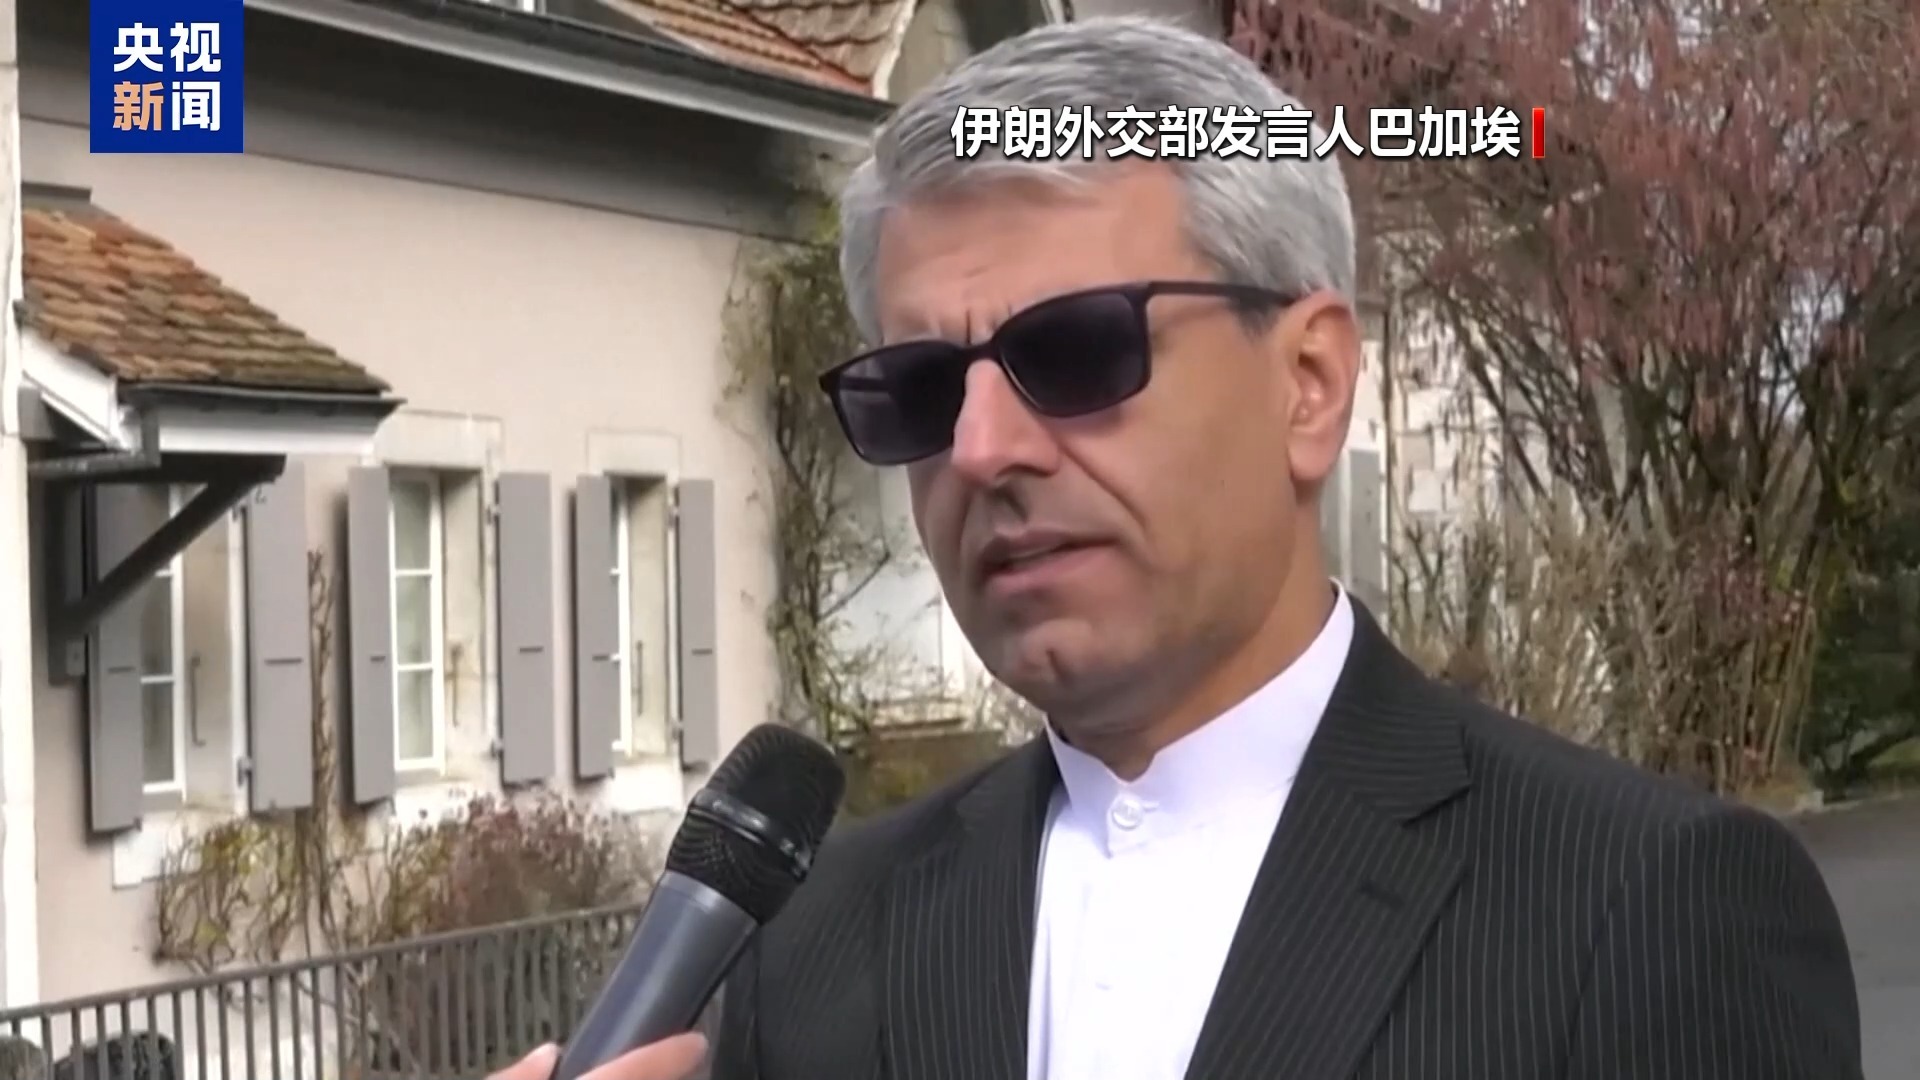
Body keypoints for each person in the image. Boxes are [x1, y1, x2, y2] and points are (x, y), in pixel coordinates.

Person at [495, 14, 1862, 1080]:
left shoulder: (1645, 908)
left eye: (1076, 349)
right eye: (920, 387)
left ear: (1310, 383)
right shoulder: (814, 946)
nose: (983, 447)